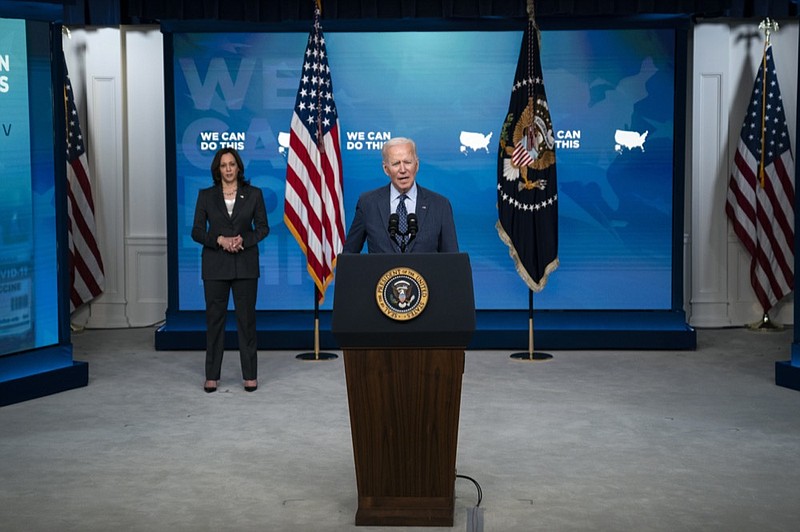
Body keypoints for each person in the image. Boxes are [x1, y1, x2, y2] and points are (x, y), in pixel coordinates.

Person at [191, 147, 269, 393]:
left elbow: (263, 228)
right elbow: (197, 231)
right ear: (217, 169)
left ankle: (250, 375)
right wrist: (220, 240)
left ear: (238, 168)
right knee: (215, 322)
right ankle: (212, 375)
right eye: (223, 165)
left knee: (247, 322)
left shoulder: (254, 194)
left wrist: (243, 240)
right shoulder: (205, 196)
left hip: (245, 265)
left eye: (232, 165)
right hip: (215, 266)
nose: (228, 169)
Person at [342, 137, 458, 254]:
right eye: (396, 163)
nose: (403, 169)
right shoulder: (368, 203)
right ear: (386, 169)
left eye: (407, 162)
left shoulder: (440, 205)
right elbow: (349, 255)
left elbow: (453, 261)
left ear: (416, 165)